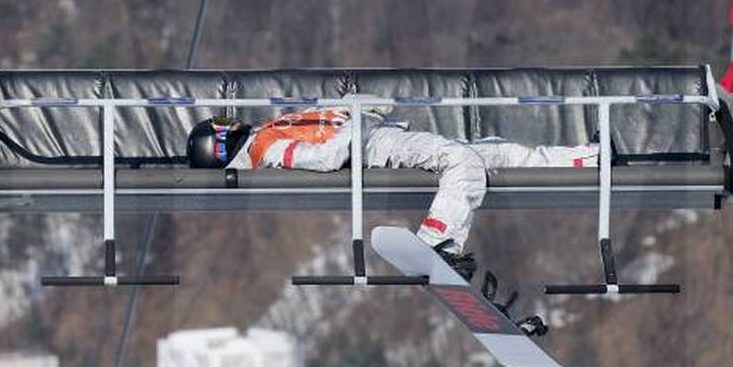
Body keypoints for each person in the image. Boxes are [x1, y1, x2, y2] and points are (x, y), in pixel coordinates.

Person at [186, 105, 600, 283]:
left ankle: (591, 158)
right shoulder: (266, 148)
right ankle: (438, 241)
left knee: (497, 151)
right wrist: (361, 119)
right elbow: (327, 157)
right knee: (463, 163)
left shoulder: (264, 134)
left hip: (373, 135)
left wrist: (353, 109)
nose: (232, 120)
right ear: (218, 144)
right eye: (223, 123)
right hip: (375, 146)